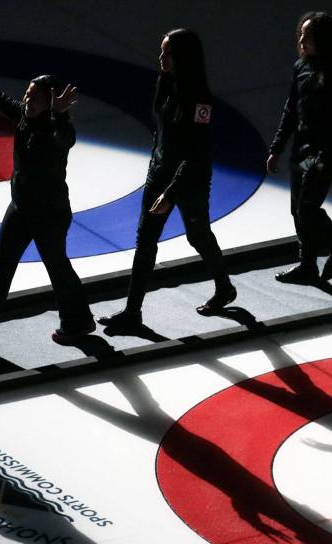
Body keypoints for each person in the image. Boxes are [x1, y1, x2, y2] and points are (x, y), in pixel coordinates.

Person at [0, 36, 94, 350]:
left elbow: (62, 140)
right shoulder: (25, 117)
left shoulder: (56, 128)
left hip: (49, 213)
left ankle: (78, 322)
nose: (27, 99)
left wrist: (56, 114)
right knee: (1, 270)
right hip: (21, 207)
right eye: (27, 93)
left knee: (57, 268)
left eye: (34, 96)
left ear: (50, 102)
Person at [97, 28, 236, 333]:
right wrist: (155, 172)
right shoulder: (165, 82)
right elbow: (162, 132)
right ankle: (132, 313)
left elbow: (197, 152)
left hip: (189, 179)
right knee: (145, 241)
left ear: (182, 57)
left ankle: (224, 287)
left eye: (167, 53)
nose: (161, 57)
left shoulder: (199, 99)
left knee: (197, 235)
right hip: (159, 174)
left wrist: (171, 192)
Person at [267, 11, 332, 284]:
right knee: (298, 210)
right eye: (301, 35)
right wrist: (277, 147)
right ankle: (307, 264)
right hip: (301, 148)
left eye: (309, 36)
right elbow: (291, 110)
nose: (302, 40)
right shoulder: (300, 67)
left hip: (325, 151)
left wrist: (325, 155)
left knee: (308, 207)